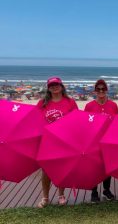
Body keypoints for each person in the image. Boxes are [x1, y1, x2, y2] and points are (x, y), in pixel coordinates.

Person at [37, 76, 78, 208]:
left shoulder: (70, 102)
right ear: (48, 88)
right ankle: (45, 197)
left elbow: (77, 121)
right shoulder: (42, 103)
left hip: (64, 141)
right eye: (51, 85)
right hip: (47, 141)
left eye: (57, 84)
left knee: (62, 168)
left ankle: (61, 195)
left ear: (61, 86)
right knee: (46, 170)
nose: (54, 87)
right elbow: (35, 121)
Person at [84, 79, 118, 203]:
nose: (101, 91)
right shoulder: (89, 106)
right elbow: (85, 124)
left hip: (108, 141)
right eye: (98, 89)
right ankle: (94, 192)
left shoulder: (113, 105)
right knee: (93, 167)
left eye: (103, 89)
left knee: (107, 167)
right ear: (95, 91)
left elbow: (117, 123)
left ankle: (106, 189)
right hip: (93, 141)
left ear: (106, 90)